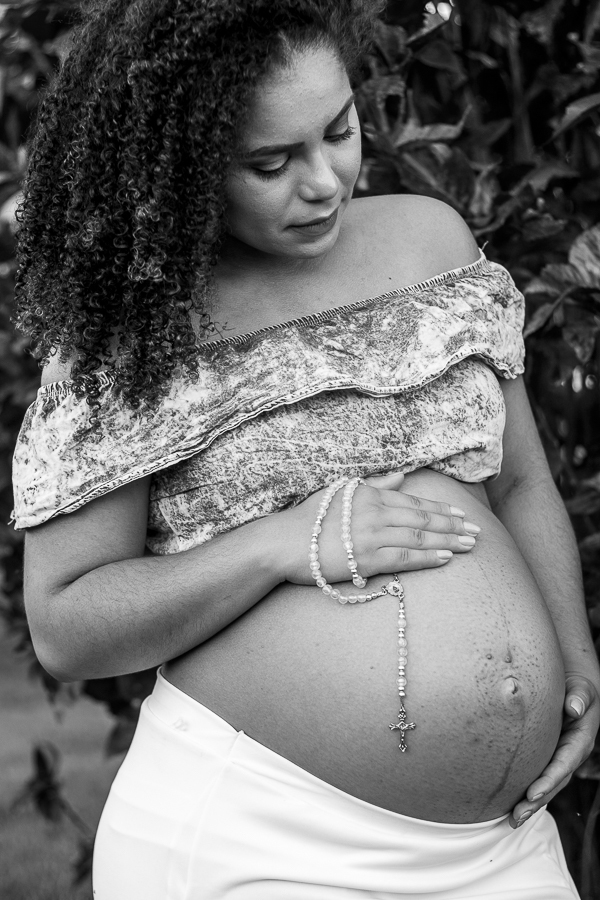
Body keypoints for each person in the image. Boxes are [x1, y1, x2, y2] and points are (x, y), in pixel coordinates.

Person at [10, 1, 600, 897]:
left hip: (504, 848)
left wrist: (573, 660)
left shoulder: (431, 240)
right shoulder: (133, 336)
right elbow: (65, 624)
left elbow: (519, 479)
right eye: (271, 162)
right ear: (185, 168)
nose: (325, 181)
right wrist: (281, 544)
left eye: (340, 130)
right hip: (263, 836)